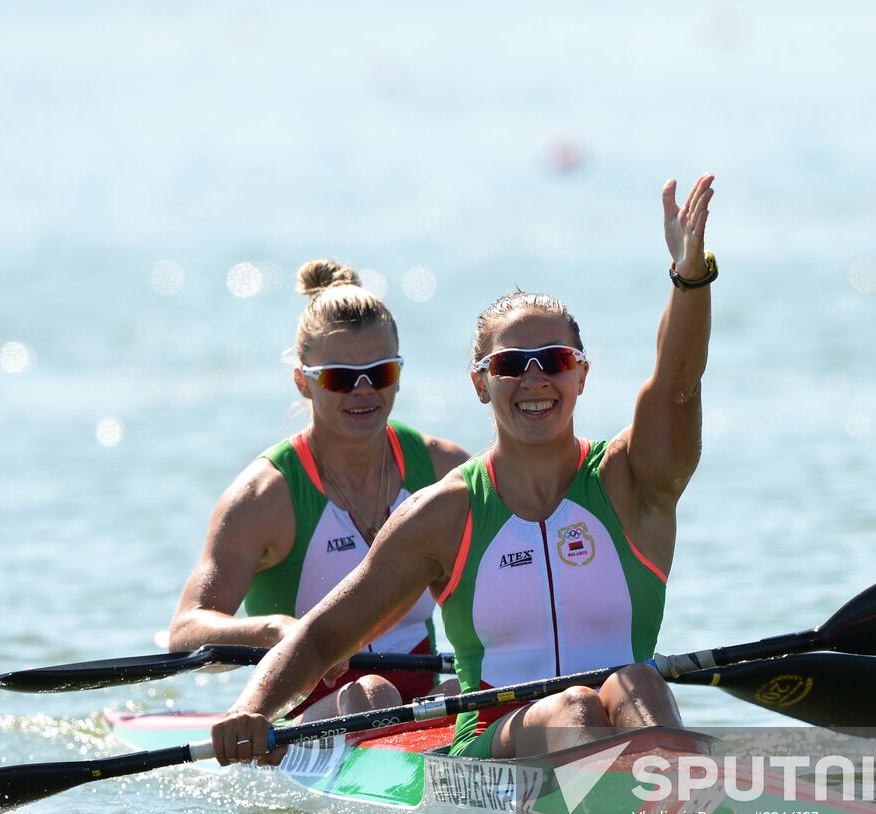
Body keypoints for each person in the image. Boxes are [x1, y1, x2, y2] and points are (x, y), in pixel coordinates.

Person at [211, 174, 715, 764]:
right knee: (576, 707)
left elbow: (677, 386)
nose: (533, 379)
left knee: (638, 682)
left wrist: (689, 277)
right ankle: (656, 808)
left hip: (623, 717)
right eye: (510, 364)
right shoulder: (446, 513)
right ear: (481, 384)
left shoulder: (632, 483)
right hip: (493, 744)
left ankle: (679, 811)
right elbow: (324, 634)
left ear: (580, 375)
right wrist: (250, 709)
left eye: (552, 360)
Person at [169, 259, 468, 721]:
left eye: (381, 372)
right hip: (301, 713)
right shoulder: (263, 497)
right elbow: (186, 632)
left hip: (421, 705)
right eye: (341, 377)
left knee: (459, 688)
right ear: (303, 382)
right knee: (371, 692)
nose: (364, 391)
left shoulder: (444, 469)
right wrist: (275, 630)